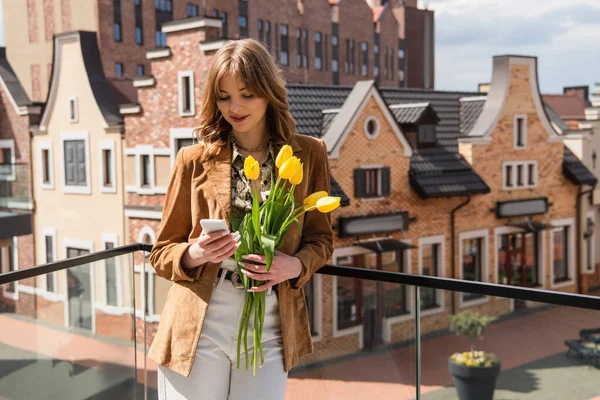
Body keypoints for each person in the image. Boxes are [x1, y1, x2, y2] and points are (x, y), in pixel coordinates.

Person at [148, 38, 334, 400]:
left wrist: (293, 266)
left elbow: (321, 241)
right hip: (199, 322)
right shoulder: (193, 160)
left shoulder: (309, 153)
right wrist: (196, 253)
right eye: (223, 96)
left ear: (268, 91)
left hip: (270, 324)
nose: (235, 106)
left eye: (247, 94)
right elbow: (161, 253)